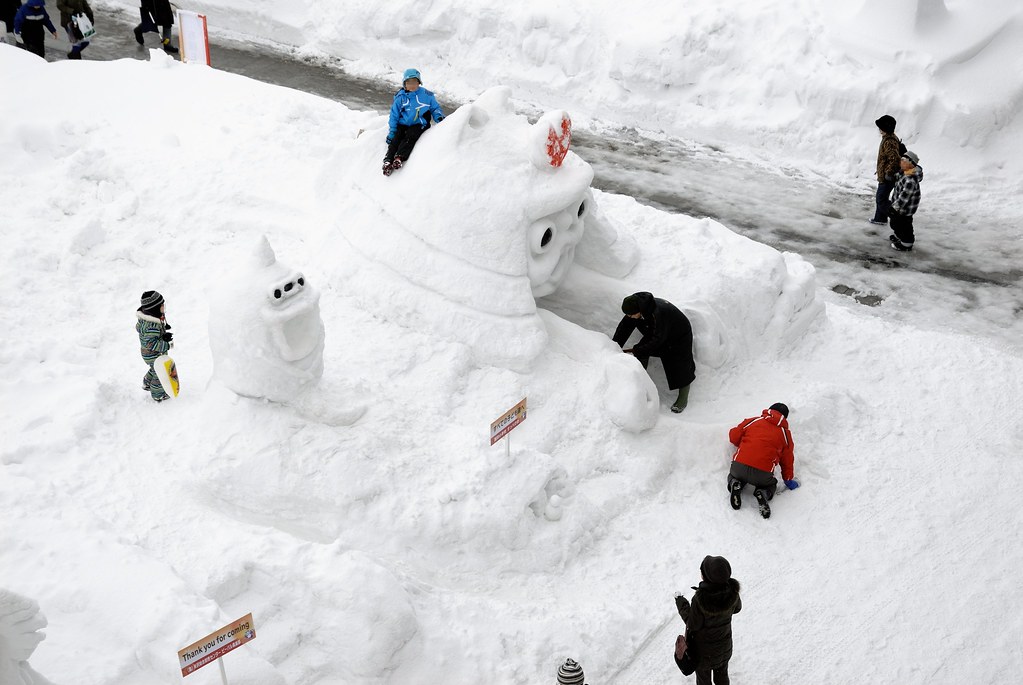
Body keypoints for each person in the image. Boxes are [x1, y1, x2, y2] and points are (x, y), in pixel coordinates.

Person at [611, 291, 695, 413]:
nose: (629, 317)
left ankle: (683, 397)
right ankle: (640, 379)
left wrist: (638, 349)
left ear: (639, 311)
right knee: (642, 350)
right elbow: (624, 327)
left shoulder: (657, 314)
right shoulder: (636, 309)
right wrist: (615, 345)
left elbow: (656, 339)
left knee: (680, 364)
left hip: (678, 335)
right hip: (658, 332)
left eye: (631, 315)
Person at [674, 556, 742, 685]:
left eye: (702, 571)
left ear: (706, 577)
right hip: (724, 649)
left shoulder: (701, 600)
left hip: (703, 655)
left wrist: (681, 603)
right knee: (722, 678)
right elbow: (737, 608)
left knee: (704, 681)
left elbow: (693, 624)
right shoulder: (732, 593)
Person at [727, 403, 799, 519]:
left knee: (733, 476)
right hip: (762, 475)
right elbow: (787, 461)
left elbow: (734, 436)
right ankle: (763, 493)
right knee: (771, 484)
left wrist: (744, 444)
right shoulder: (786, 435)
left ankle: (735, 483)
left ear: (769, 410)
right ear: (785, 418)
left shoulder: (753, 421)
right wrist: (788, 479)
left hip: (738, 467)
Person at [382, 68, 444, 176]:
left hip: (419, 123)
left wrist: (438, 116)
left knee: (410, 137)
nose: (412, 85)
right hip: (403, 123)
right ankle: (388, 160)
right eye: (409, 82)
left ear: (419, 82)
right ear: (404, 84)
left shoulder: (427, 95)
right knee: (396, 138)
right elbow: (394, 114)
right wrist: (392, 131)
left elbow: (435, 108)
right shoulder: (401, 97)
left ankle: (399, 157)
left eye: (414, 82)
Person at [136, 290, 173, 402]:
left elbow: (153, 336)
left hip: (149, 353)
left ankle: (147, 383)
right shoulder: (151, 325)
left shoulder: (152, 319)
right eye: (162, 305)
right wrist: (166, 345)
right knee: (160, 371)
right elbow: (150, 343)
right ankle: (158, 394)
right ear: (154, 308)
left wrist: (163, 335)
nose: (163, 307)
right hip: (152, 354)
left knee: (154, 368)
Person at [870, 114, 903, 225]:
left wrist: (888, 172)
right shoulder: (888, 138)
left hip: (888, 176)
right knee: (881, 197)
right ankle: (880, 218)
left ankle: (896, 216)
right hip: (884, 174)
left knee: (881, 199)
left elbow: (894, 158)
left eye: (881, 127)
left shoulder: (889, 141)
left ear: (885, 128)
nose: (879, 130)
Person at [888, 150, 923, 252]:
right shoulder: (905, 173)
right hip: (899, 207)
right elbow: (900, 177)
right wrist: (893, 176)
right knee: (896, 223)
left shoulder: (910, 180)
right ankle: (899, 236)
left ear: (910, 163)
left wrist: (895, 208)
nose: (901, 162)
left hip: (905, 209)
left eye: (903, 160)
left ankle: (907, 244)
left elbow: (905, 196)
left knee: (904, 226)